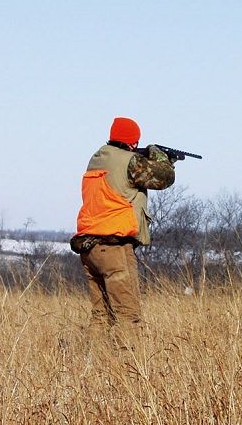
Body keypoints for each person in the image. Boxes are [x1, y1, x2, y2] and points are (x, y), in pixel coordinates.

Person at [70, 117, 175, 348]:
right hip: (113, 247)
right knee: (128, 315)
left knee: (102, 316)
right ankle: (129, 366)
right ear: (133, 142)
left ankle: (92, 363)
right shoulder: (130, 162)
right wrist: (161, 157)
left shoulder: (97, 159)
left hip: (89, 248)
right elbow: (164, 178)